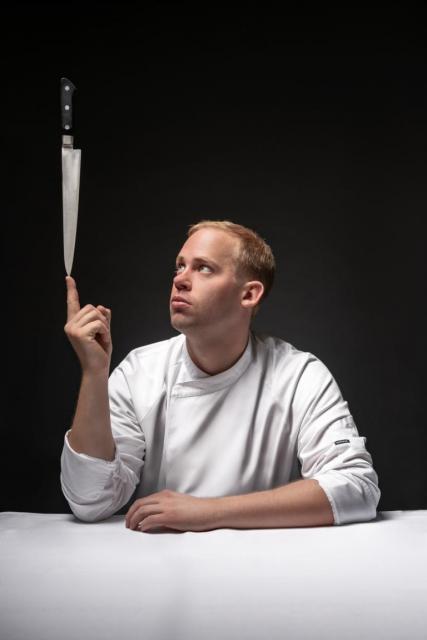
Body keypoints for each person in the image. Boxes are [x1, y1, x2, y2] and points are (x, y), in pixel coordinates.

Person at [60, 220, 380, 532]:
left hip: (265, 560)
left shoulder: (298, 376)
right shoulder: (139, 372)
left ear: (249, 294)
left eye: (203, 268)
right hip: (161, 560)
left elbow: (356, 486)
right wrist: (94, 373)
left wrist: (208, 512)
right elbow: (90, 501)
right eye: (179, 266)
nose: (180, 280)